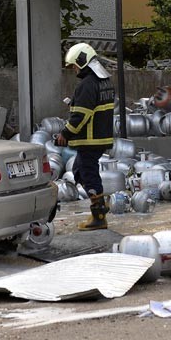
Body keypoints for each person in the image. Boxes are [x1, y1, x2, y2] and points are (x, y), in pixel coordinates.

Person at [56, 42, 115, 231]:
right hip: (101, 137)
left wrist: (65, 133)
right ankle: (100, 205)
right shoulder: (104, 81)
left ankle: (99, 216)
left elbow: (81, 115)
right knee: (80, 170)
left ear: (82, 61)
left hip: (90, 139)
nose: (74, 69)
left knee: (87, 174)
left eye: (74, 65)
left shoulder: (87, 84)